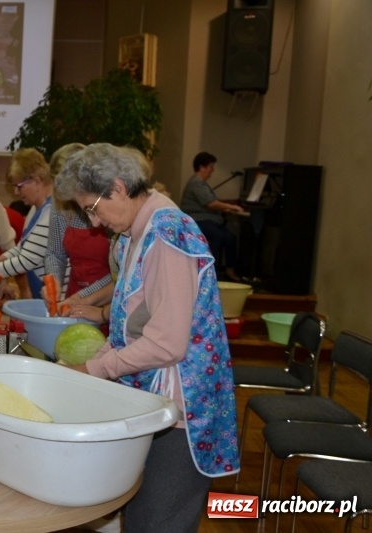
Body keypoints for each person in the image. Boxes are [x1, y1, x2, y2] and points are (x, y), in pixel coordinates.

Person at [55, 143, 240, 532]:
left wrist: (95, 368)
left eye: (92, 208)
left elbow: (167, 343)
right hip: (155, 400)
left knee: (159, 520)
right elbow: (132, 321)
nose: (93, 223)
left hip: (180, 409)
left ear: (119, 188)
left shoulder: (168, 235)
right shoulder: (138, 232)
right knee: (140, 514)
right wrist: (100, 359)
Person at [0, 148, 54, 299]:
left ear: (37, 180)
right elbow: (21, 248)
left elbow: (25, 261)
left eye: (19, 186)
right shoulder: (35, 209)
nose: (15, 192)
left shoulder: (51, 214)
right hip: (41, 293)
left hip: (53, 294)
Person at [43, 143, 113, 322]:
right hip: (74, 297)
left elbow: (119, 272)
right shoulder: (61, 207)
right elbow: (55, 253)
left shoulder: (106, 208)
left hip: (108, 301)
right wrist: (53, 281)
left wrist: (84, 297)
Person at [179, 151, 245, 281]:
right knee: (218, 236)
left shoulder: (202, 183)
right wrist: (232, 207)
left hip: (208, 220)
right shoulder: (196, 183)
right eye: (210, 166)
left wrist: (226, 207)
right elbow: (210, 203)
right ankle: (210, 271)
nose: (212, 170)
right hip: (197, 221)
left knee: (230, 238)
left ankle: (230, 270)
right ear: (202, 167)